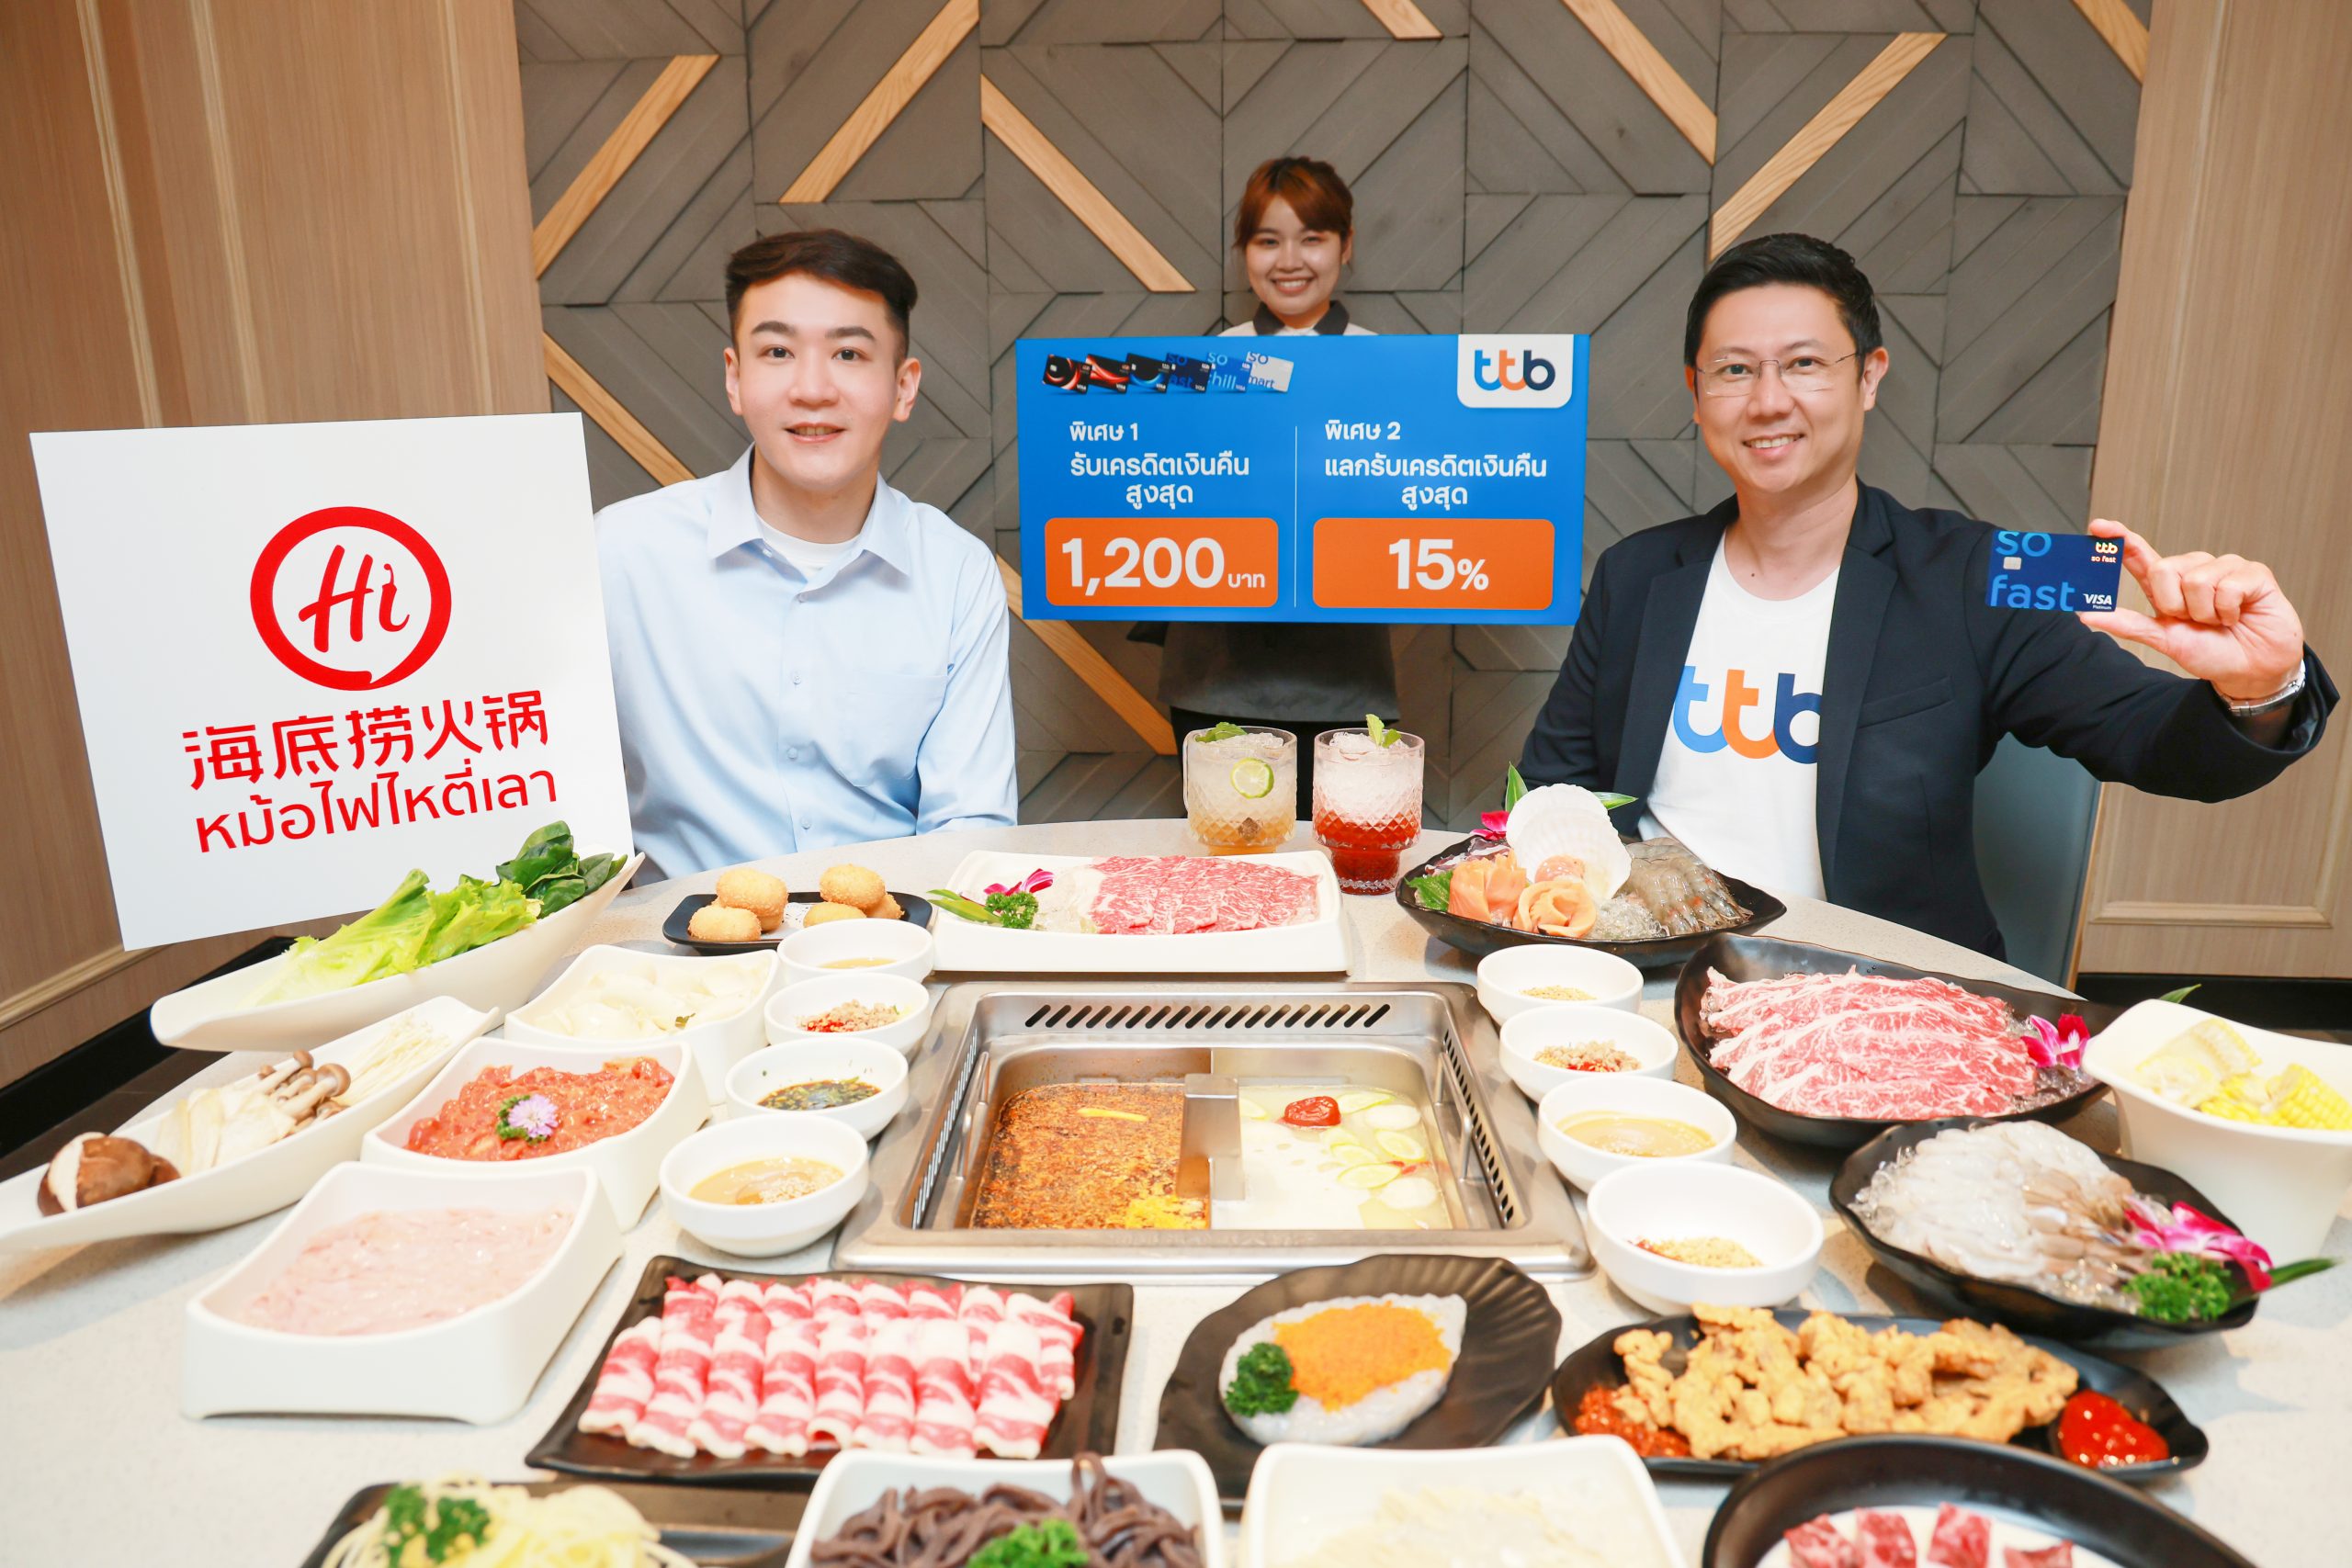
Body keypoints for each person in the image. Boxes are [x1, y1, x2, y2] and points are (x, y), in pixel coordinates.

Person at [1519, 232, 2335, 955]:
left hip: (1875, 999)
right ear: (1697, 394)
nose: (1768, 401)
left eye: (1805, 363)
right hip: (1652, 967)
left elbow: (2150, 740)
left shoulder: (1979, 571)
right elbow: (1554, 788)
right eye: (1734, 370)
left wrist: (2260, 688)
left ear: (1870, 376)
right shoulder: (1637, 574)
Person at [596, 230, 1017, 880]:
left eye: (849, 353)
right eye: (778, 351)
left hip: (891, 929)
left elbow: (970, 828)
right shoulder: (621, 553)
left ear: (903, 387)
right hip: (674, 938)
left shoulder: (956, 572)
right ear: (735, 378)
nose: (813, 389)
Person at [1153, 156, 1397, 818]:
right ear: (1245, 253)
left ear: (1346, 245)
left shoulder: (1391, 366)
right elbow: (1165, 497)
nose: (1290, 260)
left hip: (1346, 673)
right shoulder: (1200, 368)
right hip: (1218, 672)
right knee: (1229, 854)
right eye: (1268, 240)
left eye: (1312, 237)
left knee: (1344, 853)